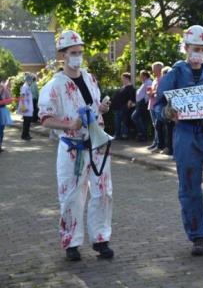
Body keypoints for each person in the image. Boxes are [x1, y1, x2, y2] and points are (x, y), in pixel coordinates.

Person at [155, 25, 203, 257]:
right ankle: (197, 235)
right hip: (186, 135)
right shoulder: (176, 74)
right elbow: (159, 105)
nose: (199, 53)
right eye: (195, 48)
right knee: (190, 188)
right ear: (186, 48)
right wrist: (167, 113)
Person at [38, 30, 113, 262]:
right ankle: (72, 242)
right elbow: (45, 118)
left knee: (103, 193)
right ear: (63, 55)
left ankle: (101, 239)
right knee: (71, 196)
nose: (77, 57)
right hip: (72, 148)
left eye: (80, 52)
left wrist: (102, 109)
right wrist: (69, 123)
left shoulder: (90, 79)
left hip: (97, 145)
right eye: (73, 53)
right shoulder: (54, 86)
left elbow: (95, 105)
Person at [110, 72, 136, 139]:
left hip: (124, 107)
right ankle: (118, 134)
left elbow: (131, 98)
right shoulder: (123, 87)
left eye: (123, 78)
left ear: (127, 78)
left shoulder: (131, 88)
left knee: (124, 121)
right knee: (117, 121)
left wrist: (127, 107)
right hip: (118, 107)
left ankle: (124, 134)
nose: (122, 79)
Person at [147, 62, 165, 152]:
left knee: (158, 125)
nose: (153, 70)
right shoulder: (154, 79)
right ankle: (155, 142)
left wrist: (153, 93)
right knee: (155, 125)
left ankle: (159, 144)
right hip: (152, 104)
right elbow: (153, 91)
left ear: (159, 69)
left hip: (158, 105)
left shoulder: (162, 79)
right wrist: (150, 92)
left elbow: (161, 92)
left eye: (154, 68)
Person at [131, 70, 152, 142]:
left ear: (145, 76)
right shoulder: (144, 83)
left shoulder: (148, 82)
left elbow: (148, 93)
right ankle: (143, 135)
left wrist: (143, 101)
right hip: (140, 103)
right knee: (143, 120)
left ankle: (142, 133)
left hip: (143, 104)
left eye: (141, 75)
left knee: (135, 117)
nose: (140, 77)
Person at [159, 66, 174, 156]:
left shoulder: (169, 83)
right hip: (168, 110)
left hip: (171, 111)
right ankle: (169, 148)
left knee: (170, 131)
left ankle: (170, 149)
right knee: (168, 130)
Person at [18, 74, 34, 140]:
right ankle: (24, 135)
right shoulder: (25, 87)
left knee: (27, 122)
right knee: (26, 122)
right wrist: (24, 106)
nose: (31, 82)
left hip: (28, 107)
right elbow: (22, 96)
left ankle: (26, 134)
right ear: (28, 80)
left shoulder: (27, 87)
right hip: (26, 107)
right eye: (31, 81)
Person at [0, 78, 13, 152]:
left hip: (2, 110)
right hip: (2, 110)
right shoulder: (4, 88)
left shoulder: (4, 88)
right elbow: (9, 100)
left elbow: (10, 100)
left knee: (1, 129)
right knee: (1, 129)